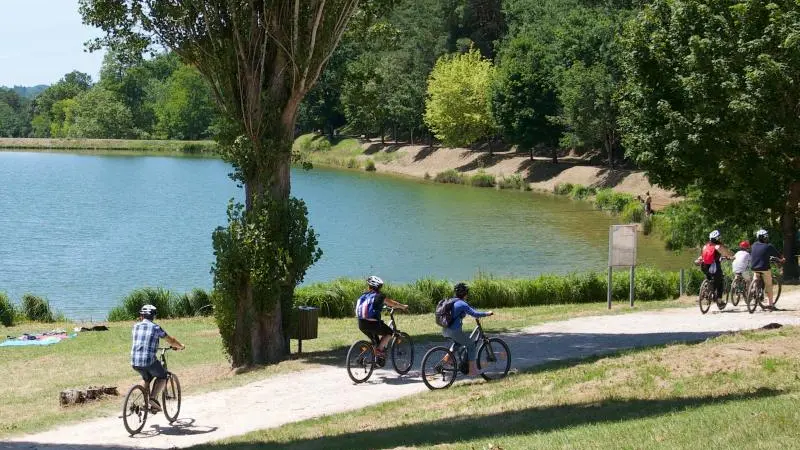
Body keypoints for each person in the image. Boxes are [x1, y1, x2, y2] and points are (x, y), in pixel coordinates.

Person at [131, 304, 185, 412]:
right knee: (163, 376)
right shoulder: (155, 328)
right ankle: (152, 399)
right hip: (148, 360)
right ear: (153, 316)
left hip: (134, 361)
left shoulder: (135, 326)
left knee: (147, 378)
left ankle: (143, 403)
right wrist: (180, 346)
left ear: (142, 315)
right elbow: (171, 341)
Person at [442, 283, 493, 377]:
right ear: (464, 293)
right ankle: (472, 371)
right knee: (471, 345)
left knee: (458, 342)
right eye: (467, 292)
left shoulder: (453, 301)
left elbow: (470, 309)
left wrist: (475, 311)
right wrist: (487, 313)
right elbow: (475, 314)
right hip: (454, 331)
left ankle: (447, 358)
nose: (467, 294)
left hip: (445, 330)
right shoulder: (462, 303)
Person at [355, 276, 408, 364]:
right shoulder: (380, 296)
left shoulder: (363, 296)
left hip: (361, 324)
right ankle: (379, 351)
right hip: (373, 324)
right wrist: (403, 307)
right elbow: (393, 303)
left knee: (375, 342)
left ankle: (375, 359)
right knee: (389, 333)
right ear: (379, 287)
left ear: (369, 287)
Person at [750, 229, 785, 310]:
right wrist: (782, 259)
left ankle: (753, 288)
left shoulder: (754, 245)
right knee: (769, 285)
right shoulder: (769, 246)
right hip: (764, 268)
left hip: (754, 267)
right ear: (765, 237)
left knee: (756, 277)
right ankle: (770, 304)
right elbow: (778, 255)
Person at [698, 230, 733, 301]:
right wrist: (731, 257)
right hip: (714, 267)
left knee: (709, 278)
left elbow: (702, 256)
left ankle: (706, 289)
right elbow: (725, 253)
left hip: (704, 266)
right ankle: (719, 300)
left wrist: (698, 260)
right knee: (720, 282)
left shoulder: (705, 246)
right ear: (717, 238)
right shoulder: (718, 246)